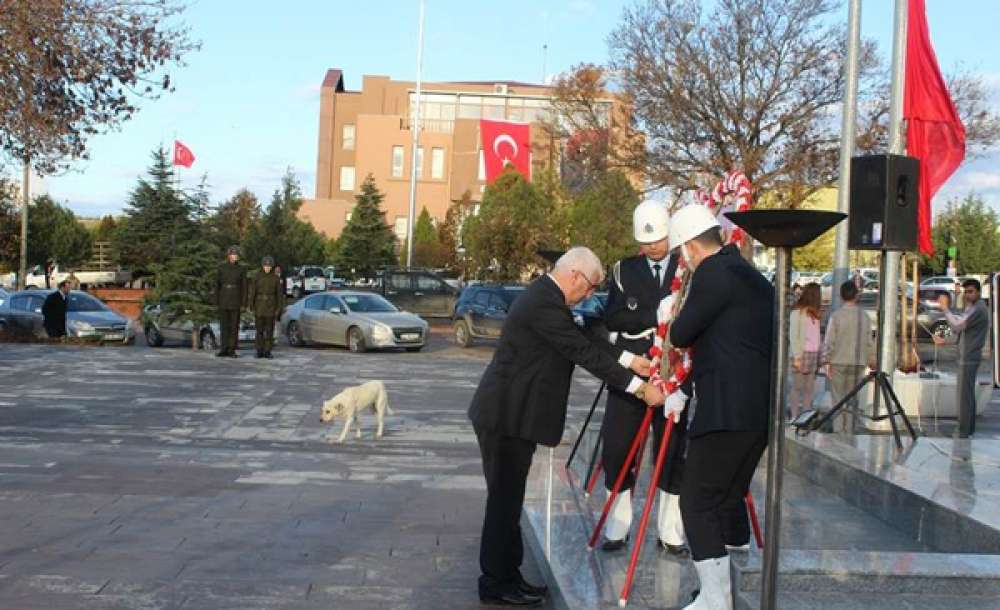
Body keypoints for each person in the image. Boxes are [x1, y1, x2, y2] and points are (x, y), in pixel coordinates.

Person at [468, 247, 663, 608]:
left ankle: (508, 576)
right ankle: (496, 582)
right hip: (505, 417)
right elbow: (581, 352)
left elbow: (586, 338)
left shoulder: (549, 298)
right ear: (575, 275)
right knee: (503, 503)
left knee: (508, 501)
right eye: (590, 287)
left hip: (516, 416)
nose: (590, 295)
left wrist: (631, 360)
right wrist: (640, 388)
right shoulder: (542, 302)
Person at [666, 205, 773, 610]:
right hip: (756, 413)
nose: (683, 260)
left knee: (696, 501)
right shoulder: (752, 275)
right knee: (728, 498)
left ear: (692, 246)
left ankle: (716, 599)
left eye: (682, 252)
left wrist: (670, 316)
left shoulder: (713, 273)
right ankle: (727, 588)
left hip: (725, 410)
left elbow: (682, 332)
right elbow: (732, 344)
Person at [599, 200, 688, 556]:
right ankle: (617, 527)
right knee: (618, 450)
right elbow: (613, 319)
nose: (653, 247)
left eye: (659, 239)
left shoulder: (686, 266)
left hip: (673, 374)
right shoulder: (624, 269)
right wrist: (656, 314)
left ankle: (670, 531)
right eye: (646, 241)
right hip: (631, 374)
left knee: (672, 456)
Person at [935, 279, 989, 438]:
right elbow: (962, 330)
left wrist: (945, 309)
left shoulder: (978, 309)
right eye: (966, 292)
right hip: (967, 356)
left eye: (971, 291)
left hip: (969, 357)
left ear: (978, 292)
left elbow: (958, 326)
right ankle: (967, 429)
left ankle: (963, 431)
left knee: (964, 397)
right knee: (967, 395)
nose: (967, 294)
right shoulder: (972, 307)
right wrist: (946, 340)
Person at [821, 281, 876, 433]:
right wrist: (872, 361)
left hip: (838, 362)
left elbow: (829, 341)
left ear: (841, 296)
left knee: (838, 399)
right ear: (856, 296)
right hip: (858, 362)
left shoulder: (836, 316)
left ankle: (839, 430)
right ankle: (849, 430)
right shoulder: (864, 316)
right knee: (852, 399)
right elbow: (869, 342)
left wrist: (825, 360)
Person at [788, 282, 822, 419]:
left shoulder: (815, 314)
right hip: (801, 354)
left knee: (809, 389)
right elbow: (793, 335)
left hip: (813, 354)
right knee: (797, 387)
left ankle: (805, 416)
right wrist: (796, 356)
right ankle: (794, 416)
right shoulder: (797, 312)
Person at [249, 256, 284, 359]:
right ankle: (259, 350)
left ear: (271, 267)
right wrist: (251, 304)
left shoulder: (276, 279)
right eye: (265, 266)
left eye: (269, 266)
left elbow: (279, 295)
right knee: (259, 331)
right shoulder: (257, 277)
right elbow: (253, 292)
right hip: (259, 306)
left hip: (270, 306)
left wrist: (279, 308)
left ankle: (268, 351)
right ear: (262, 266)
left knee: (269, 331)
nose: (267, 268)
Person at [215, 245, 247, 358]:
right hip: (224, 298)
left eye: (236, 255)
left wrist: (243, 302)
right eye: (233, 254)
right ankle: (223, 348)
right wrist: (216, 300)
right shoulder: (221, 267)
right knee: (224, 326)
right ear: (229, 256)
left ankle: (232, 349)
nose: (235, 256)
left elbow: (244, 287)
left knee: (234, 326)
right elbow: (217, 285)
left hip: (235, 299)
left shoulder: (241, 269)